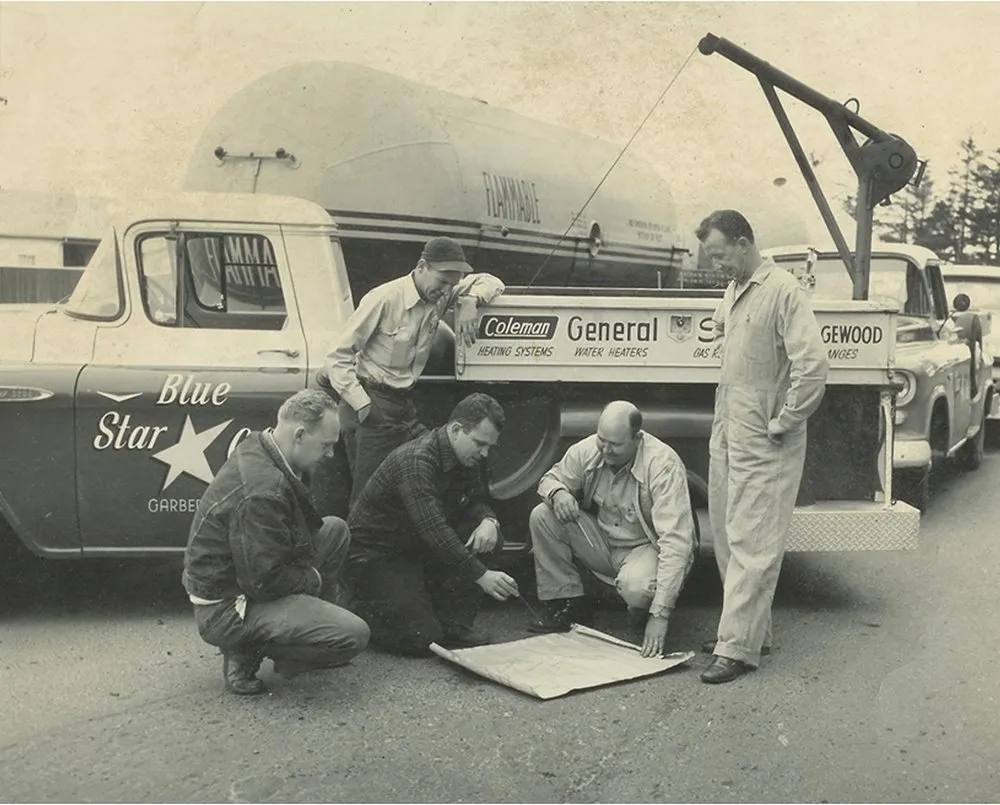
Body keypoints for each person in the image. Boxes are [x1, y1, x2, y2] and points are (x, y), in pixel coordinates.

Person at [698, 209, 829, 684]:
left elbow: (812, 365)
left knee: (753, 541)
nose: (716, 265)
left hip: (764, 437)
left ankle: (735, 649)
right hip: (728, 430)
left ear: (743, 241)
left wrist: (787, 419)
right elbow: (723, 329)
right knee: (728, 534)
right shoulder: (735, 291)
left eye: (719, 254)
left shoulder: (785, 291)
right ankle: (752, 633)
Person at [182, 389, 370, 695]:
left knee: (335, 530)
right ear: (299, 435)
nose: (330, 455)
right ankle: (246, 650)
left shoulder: (262, 444)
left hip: (241, 578)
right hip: (228, 608)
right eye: (326, 445)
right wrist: (313, 578)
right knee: (354, 635)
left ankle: (300, 633)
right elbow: (264, 582)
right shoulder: (263, 490)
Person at [325, 236, 505, 505]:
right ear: (422, 266)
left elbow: (492, 281)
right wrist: (362, 404)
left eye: (452, 284)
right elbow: (337, 355)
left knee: (438, 468)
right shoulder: (385, 299)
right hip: (373, 403)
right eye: (442, 281)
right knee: (369, 498)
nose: (446, 289)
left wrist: (469, 300)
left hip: (405, 406)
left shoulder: (444, 293)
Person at [347, 393, 520, 656]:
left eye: (489, 447)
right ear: (456, 430)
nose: (484, 453)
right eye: (480, 444)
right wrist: (481, 575)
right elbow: (434, 530)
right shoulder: (417, 460)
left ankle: (454, 624)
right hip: (377, 556)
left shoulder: (467, 455)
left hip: (415, 547)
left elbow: (477, 500)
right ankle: (360, 609)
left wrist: (489, 520)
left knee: (489, 536)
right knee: (422, 640)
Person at [527, 401, 698, 657]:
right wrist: (559, 492)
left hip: (645, 547)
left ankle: (643, 609)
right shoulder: (590, 449)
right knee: (542, 515)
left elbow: (677, 543)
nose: (605, 450)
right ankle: (569, 603)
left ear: (637, 438)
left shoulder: (663, 465)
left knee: (637, 588)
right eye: (601, 440)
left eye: (615, 445)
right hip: (604, 543)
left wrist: (660, 616)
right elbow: (550, 479)